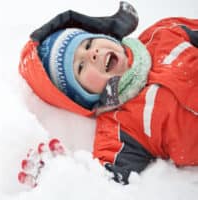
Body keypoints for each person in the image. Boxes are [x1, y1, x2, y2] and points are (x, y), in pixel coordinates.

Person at [18, 1, 198, 185]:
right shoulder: (119, 127)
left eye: (88, 44)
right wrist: (62, 178)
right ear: (83, 95)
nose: (92, 54)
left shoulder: (163, 34)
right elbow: (107, 184)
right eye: (80, 66)